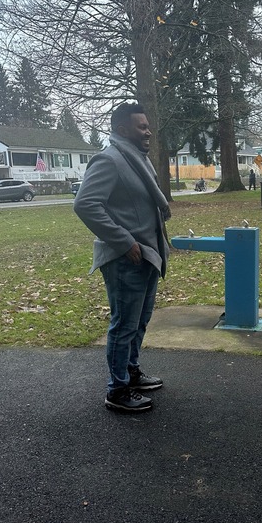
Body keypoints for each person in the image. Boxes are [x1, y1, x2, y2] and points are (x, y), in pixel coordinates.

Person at [74, 102, 170, 413]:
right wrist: (125, 241)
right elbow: (86, 204)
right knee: (124, 325)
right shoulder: (110, 160)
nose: (148, 131)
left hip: (148, 255)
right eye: (141, 127)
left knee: (139, 321)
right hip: (126, 257)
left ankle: (131, 372)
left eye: (147, 125)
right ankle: (117, 390)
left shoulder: (137, 160)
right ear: (122, 130)